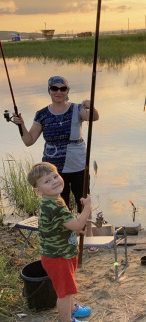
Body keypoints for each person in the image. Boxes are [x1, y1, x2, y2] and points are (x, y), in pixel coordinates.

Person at [13, 76, 99, 238]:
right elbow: (28, 141)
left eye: (62, 88)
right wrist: (21, 124)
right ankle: (65, 236)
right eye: (54, 88)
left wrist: (91, 106)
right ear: (49, 91)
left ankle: (87, 234)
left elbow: (94, 117)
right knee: (60, 202)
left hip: (78, 163)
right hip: (53, 168)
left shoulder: (76, 108)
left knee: (83, 200)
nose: (58, 92)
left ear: (67, 91)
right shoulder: (42, 114)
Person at [27, 162, 93, 322]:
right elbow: (77, 223)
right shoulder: (55, 206)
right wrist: (87, 209)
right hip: (58, 257)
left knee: (69, 286)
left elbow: (63, 226)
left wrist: (75, 231)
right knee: (65, 292)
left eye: (55, 176)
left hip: (60, 252)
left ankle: (72, 309)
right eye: (47, 181)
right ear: (38, 190)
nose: (55, 181)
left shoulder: (51, 200)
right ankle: (66, 319)